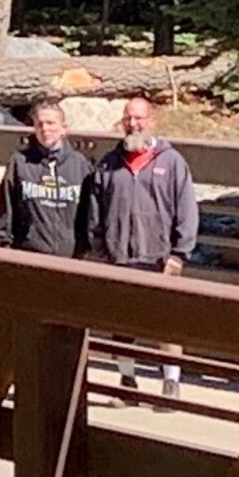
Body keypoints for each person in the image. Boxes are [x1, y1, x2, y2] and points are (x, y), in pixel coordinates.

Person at [86, 96, 199, 401]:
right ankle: (127, 382)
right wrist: (100, 249)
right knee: (121, 323)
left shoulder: (171, 162)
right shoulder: (109, 163)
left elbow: (187, 210)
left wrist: (179, 254)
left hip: (160, 257)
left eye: (138, 118)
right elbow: (95, 211)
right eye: (128, 118)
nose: (133, 124)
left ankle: (171, 384)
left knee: (166, 322)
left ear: (152, 121)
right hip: (119, 257)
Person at [0, 97, 93, 257]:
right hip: (29, 255)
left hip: (70, 258)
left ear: (64, 128)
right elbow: (4, 211)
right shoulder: (20, 163)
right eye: (39, 124)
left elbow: (91, 216)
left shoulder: (80, 165)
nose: (45, 129)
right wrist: (2, 249)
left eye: (50, 123)